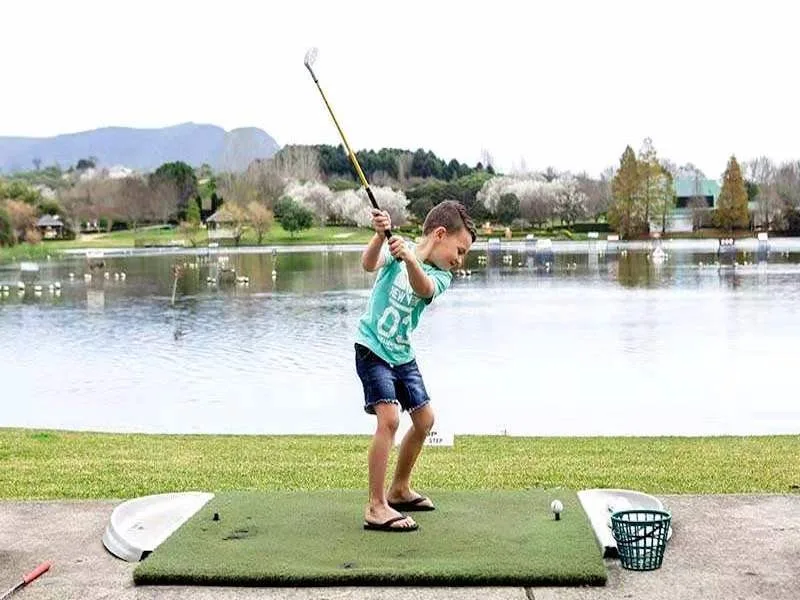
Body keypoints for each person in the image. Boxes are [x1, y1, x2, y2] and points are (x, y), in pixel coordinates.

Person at [354, 200, 476, 532]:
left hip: (402, 355)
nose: (460, 260)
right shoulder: (397, 248)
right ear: (440, 234)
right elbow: (368, 264)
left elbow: (423, 288)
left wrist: (409, 259)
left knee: (425, 420)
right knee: (389, 419)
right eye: (460, 250)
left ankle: (399, 489)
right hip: (372, 347)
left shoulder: (441, 276)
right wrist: (379, 236)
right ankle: (376, 506)